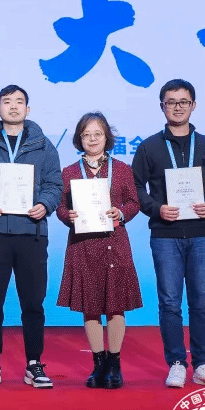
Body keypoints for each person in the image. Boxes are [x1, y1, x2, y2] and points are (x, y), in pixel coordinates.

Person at [131, 79, 205, 388]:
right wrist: (156, 208)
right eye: (171, 102)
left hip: (202, 234)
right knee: (169, 302)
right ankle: (176, 363)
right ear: (162, 106)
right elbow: (134, 188)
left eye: (183, 102)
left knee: (202, 302)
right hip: (165, 235)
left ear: (193, 105)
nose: (177, 107)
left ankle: (203, 364)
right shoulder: (149, 147)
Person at [0, 85, 62, 389]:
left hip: (31, 233)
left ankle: (34, 363)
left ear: (28, 109)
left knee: (33, 303)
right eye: (7, 102)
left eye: (19, 101)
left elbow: (55, 184)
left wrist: (45, 204)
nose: (13, 106)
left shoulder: (44, 146)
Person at [55, 112, 143, 389]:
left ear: (107, 137)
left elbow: (134, 202)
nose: (92, 139)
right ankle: (98, 363)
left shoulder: (122, 169)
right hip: (83, 245)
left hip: (114, 243)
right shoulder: (69, 172)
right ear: (79, 139)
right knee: (90, 307)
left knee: (116, 305)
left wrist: (122, 212)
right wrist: (66, 216)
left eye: (98, 134)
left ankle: (114, 364)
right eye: (86, 135)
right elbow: (60, 206)